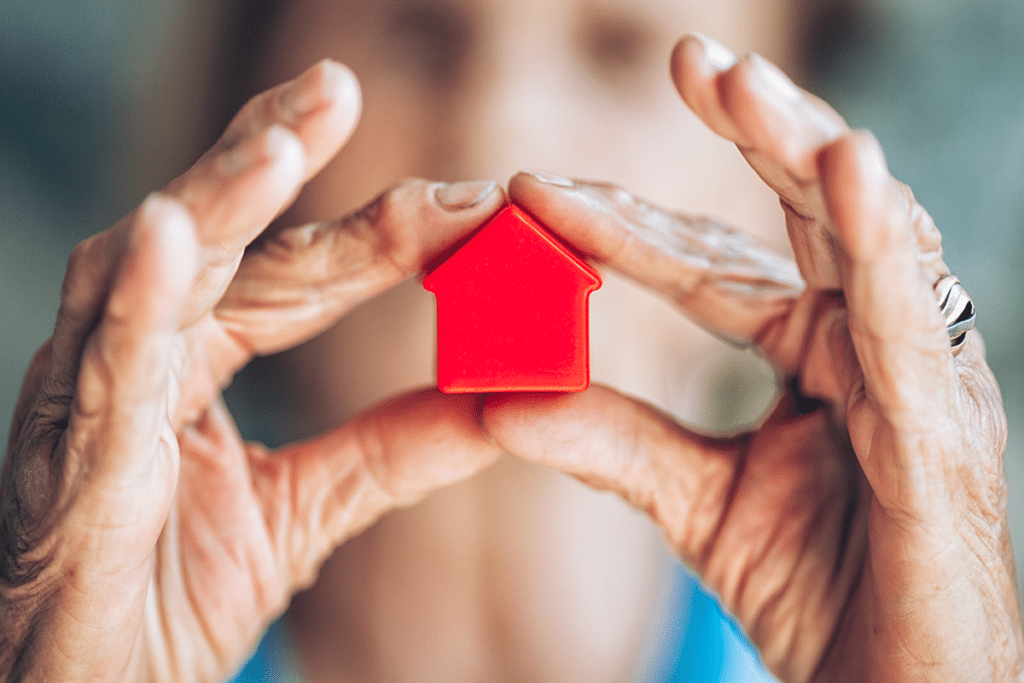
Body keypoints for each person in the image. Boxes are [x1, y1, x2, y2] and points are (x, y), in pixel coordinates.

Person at [1, 0, 1021, 681]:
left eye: (618, 48)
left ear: (783, 198)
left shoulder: (889, 638)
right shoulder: (67, 638)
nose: (497, 125)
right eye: (418, 29)